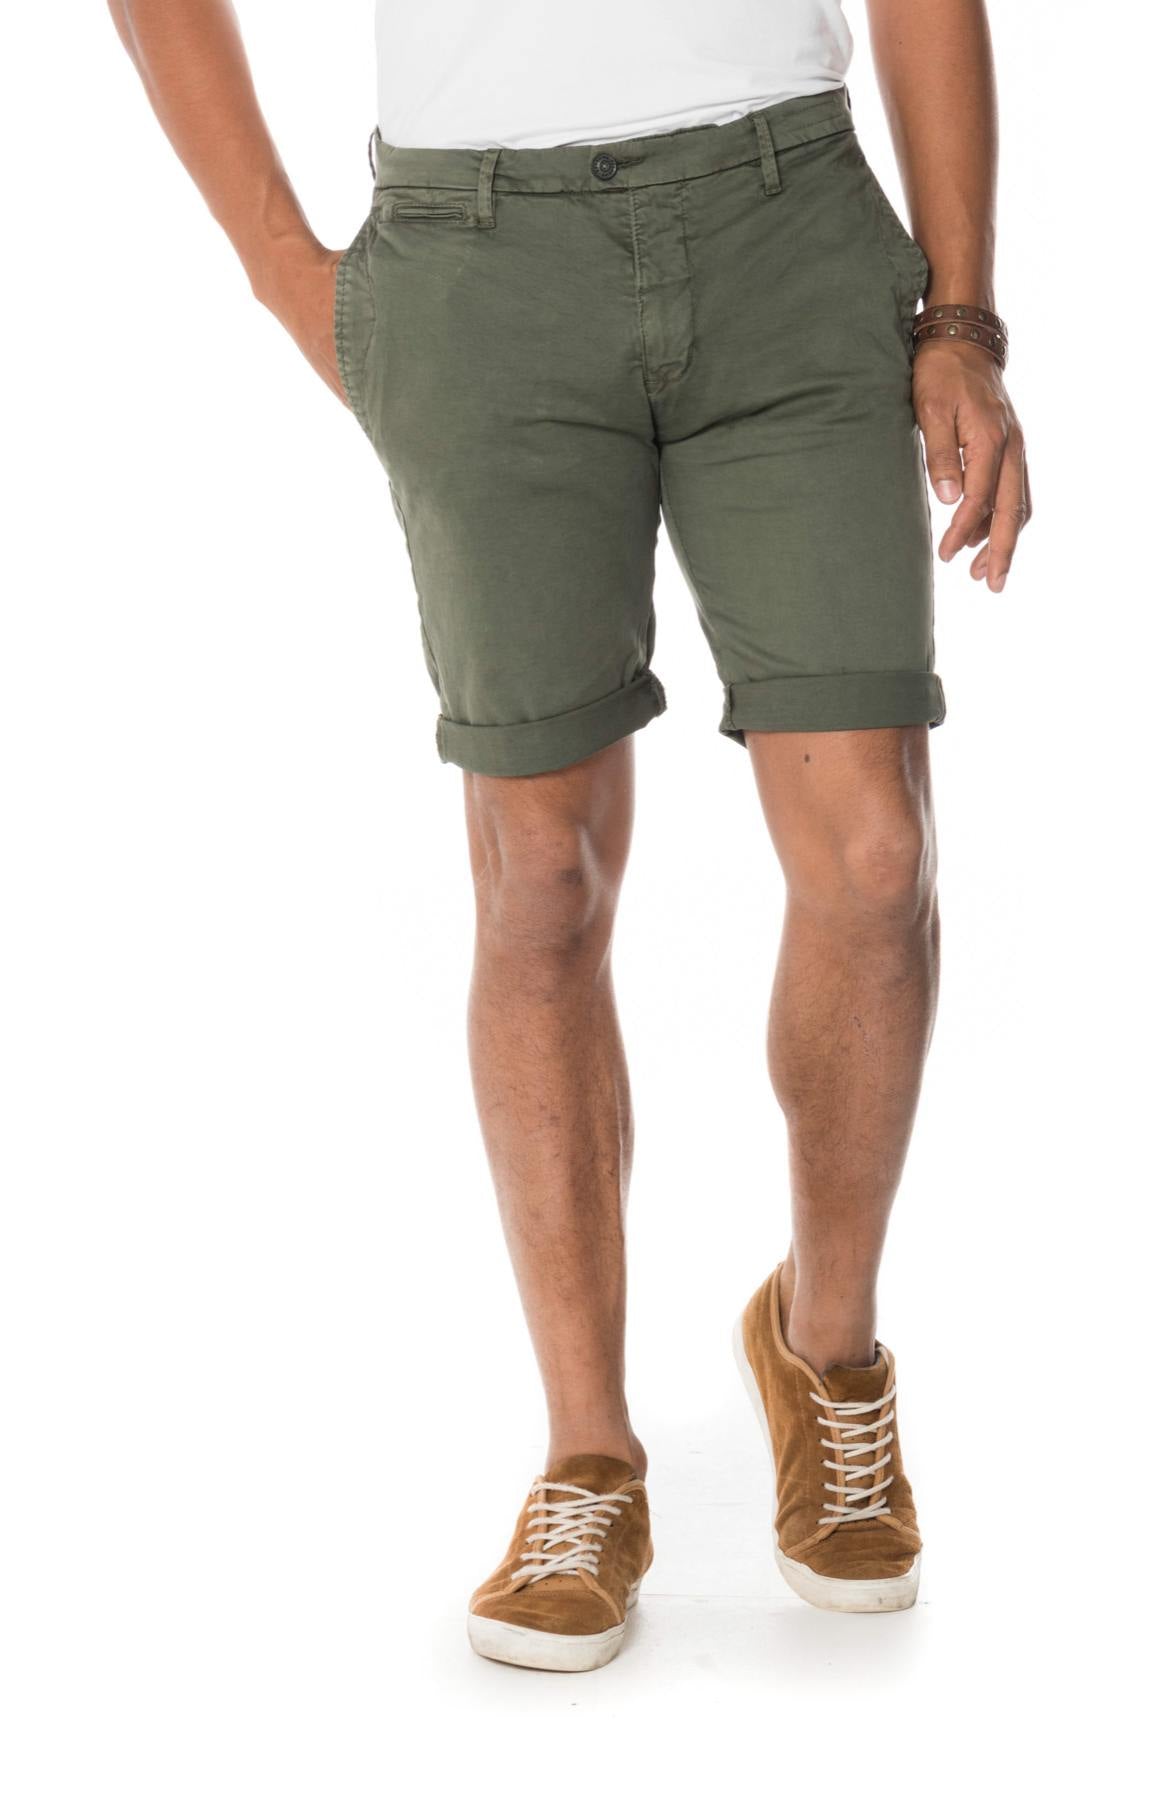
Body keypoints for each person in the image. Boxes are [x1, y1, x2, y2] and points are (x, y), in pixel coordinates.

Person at [110, 0, 1030, 1673]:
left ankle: (826, 1350)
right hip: (479, 261)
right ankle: (589, 1460)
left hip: (783, 227)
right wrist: (281, 270)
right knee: (540, 878)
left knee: (874, 859)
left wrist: (962, 314)